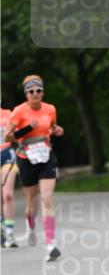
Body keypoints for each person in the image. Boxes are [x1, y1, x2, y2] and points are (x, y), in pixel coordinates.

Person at [4, 75, 64, 261]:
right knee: (32, 204)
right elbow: (7, 137)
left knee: (47, 199)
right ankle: (31, 227)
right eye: (31, 91)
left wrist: (57, 130)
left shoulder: (50, 109)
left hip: (46, 157)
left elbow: (52, 127)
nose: (35, 93)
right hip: (26, 159)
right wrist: (28, 128)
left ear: (43, 93)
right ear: (26, 94)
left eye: (39, 90)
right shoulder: (19, 111)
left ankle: (50, 244)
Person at [1, 106, 19, 248]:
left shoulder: (8, 114)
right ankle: (1, 228)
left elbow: (20, 132)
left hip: (7, 154)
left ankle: (10, 232)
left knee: (8, 195)